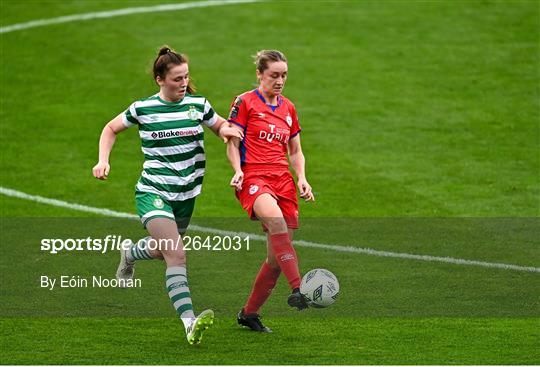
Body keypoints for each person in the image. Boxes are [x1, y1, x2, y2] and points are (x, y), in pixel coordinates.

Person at [92, 45, 242, 345]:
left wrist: (228, 131)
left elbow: (221, 126)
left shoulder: (198, 105)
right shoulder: (143, 109)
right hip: (153, 191)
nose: (183, 82)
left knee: (162, 251)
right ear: (160, 79)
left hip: (186, 193)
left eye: (186, 77)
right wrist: (103, 160)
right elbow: (110, 128)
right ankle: (189, 322)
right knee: (177, 254)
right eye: (177, 78)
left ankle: (130, 252)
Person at [226, 50, 315, 333]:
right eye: (274, 75)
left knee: (276, 260)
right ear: (260, 74)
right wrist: (237, 170)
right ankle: (299, 288)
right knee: (276, 223)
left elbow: (296, 150)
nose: (280, 81)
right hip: (254, 178)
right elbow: (231, 140)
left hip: (283, 182)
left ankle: (249, 313)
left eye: (284, 75)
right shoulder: (245, 102)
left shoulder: (288, 108)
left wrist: (302, 178)